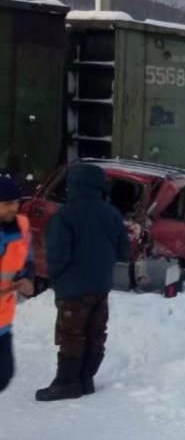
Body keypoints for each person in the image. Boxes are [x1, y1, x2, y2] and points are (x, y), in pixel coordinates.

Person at [36, 164, 129, 402]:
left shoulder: (65, 215)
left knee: (71, 334)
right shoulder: (112, 214)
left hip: (73, 287)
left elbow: (57, 254)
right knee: (96, 331)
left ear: (72, 185)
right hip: (101, 285)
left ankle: (67, 383)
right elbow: (123, 251)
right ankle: (86, 379)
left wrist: (57, 277)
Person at [0, 176, 34, 395]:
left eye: (16, 202)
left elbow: (27, 259)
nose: (15, 208)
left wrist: (27, 279)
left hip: (3, 319)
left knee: (4, 374)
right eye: (7, 204)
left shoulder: (20, 225)